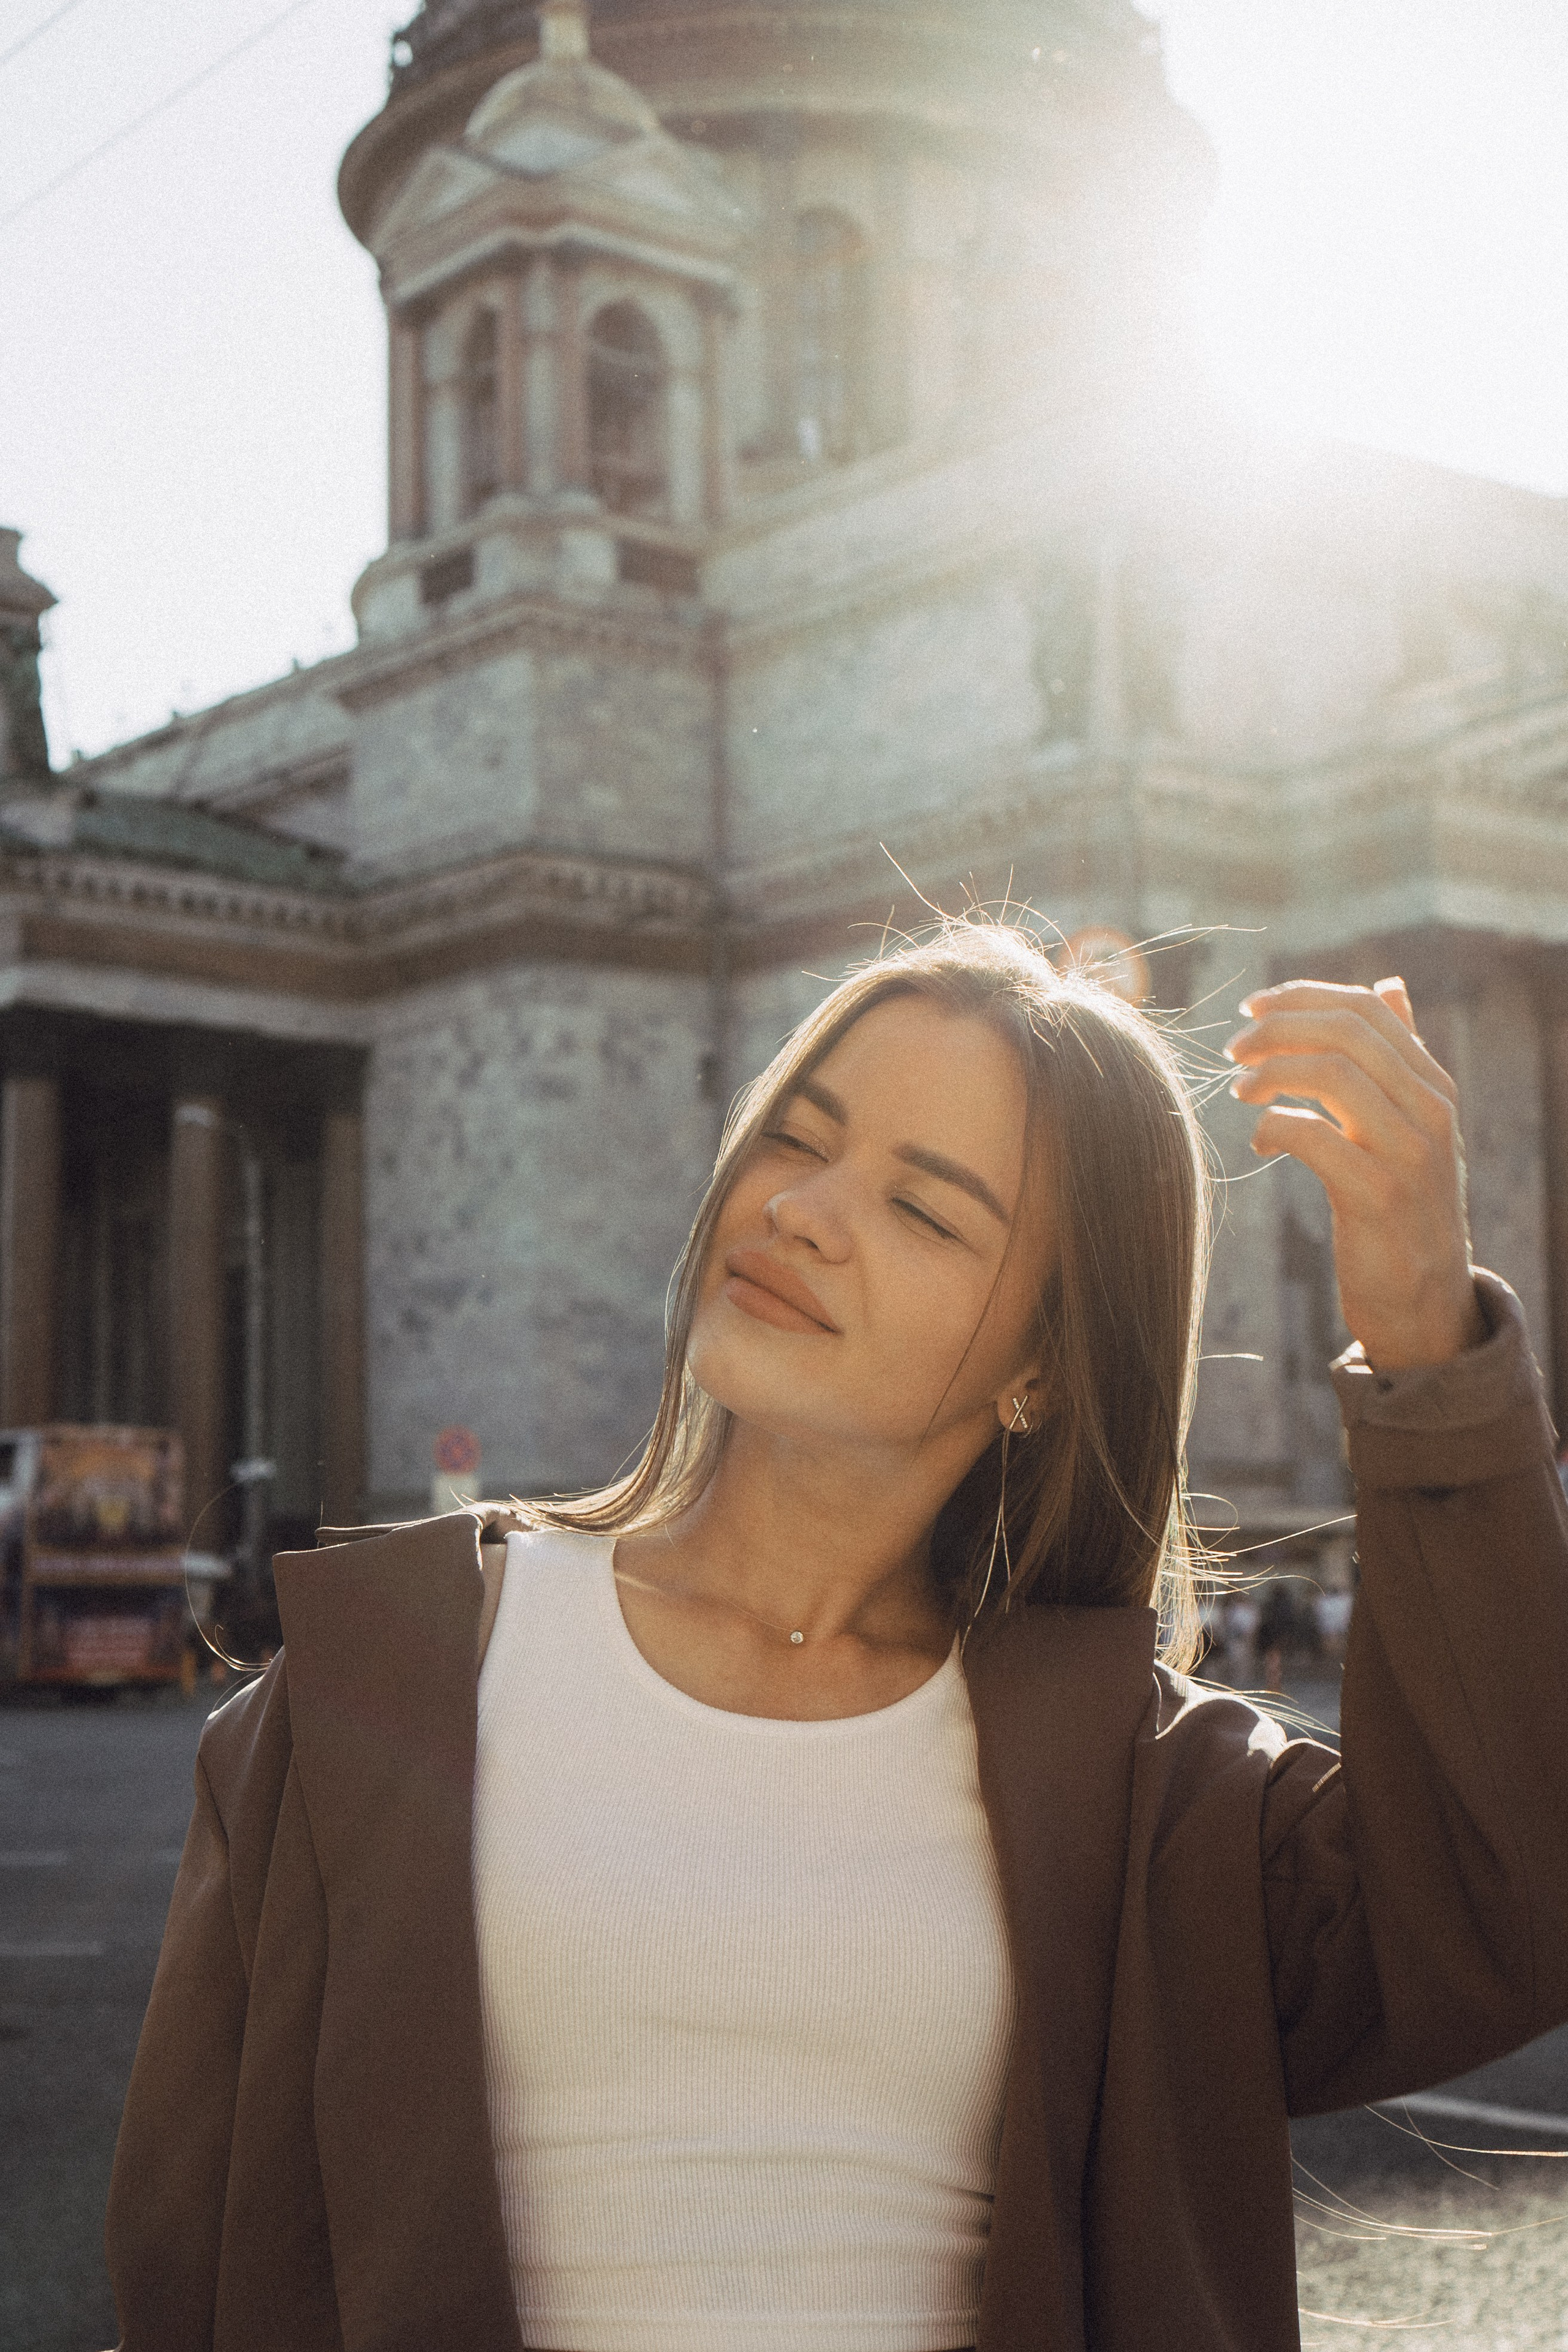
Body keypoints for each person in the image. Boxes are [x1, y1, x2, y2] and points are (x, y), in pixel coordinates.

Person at [105, 922, 1568, 2352]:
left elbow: (1496, 1905)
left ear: (1041, 1372)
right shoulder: (372, 1688)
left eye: (925, 1211)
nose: (800, 1212)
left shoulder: (1142, 1795)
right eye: (796, 1139)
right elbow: (182, 2267)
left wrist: (1425, 1349)